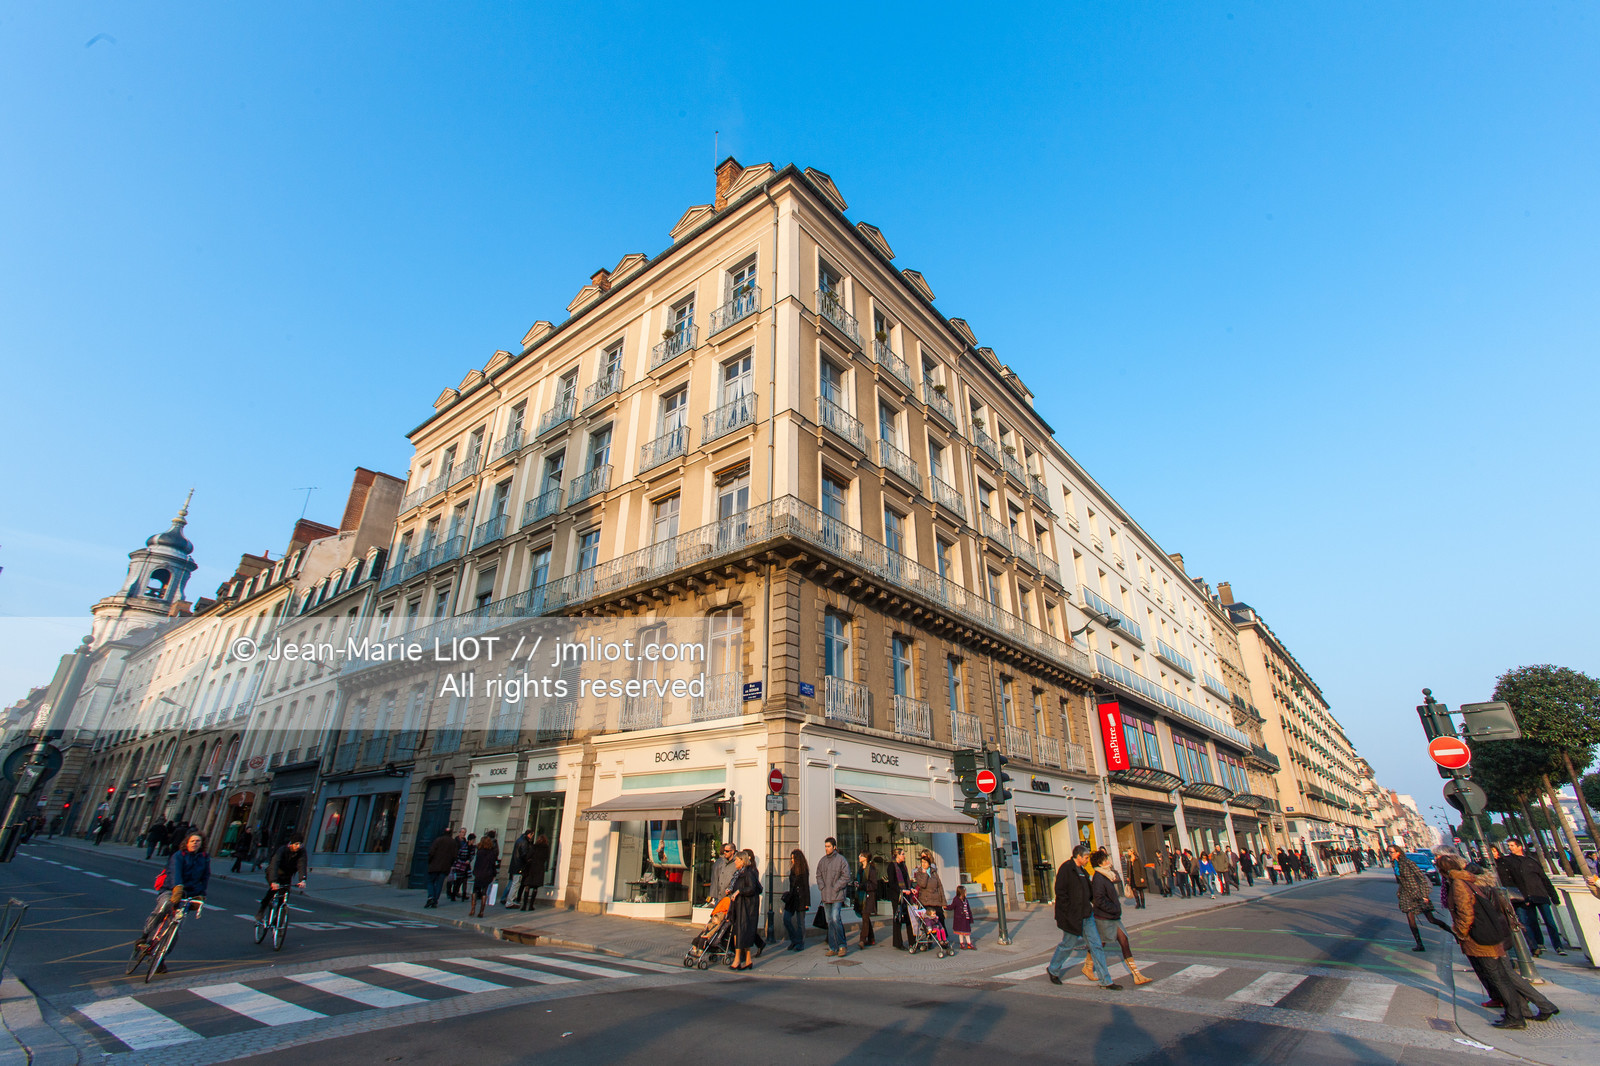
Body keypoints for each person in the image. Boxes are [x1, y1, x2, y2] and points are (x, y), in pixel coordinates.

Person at [1439, 853, 1557, 1029]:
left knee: (1501, 976)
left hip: (1485, 934)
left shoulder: (1461, 884)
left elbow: (1466, 913)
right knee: (1505, 974)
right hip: (1494, 930)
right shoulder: (1474, 880)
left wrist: (1461, 933)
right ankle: (1529, 1009)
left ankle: (1521, 1013)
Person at [1044, 844, 1119, 990]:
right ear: (1078, 856)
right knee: (1067, 945)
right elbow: (1060, 892)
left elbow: (1089, 892)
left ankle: (1106, 980)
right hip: (1073, 916)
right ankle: (1053, 969)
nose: (1087, 860)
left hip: (1087, 915)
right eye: (1085, 857)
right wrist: (1067, 913)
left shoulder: (1083, 871)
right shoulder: (1066, 869)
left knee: (1096, 945)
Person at [138, 832, 209, 974]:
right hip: (171, 889)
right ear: (187, 842)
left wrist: (201, 894)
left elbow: (205, 877)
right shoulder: (178, 856)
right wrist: (177, 888)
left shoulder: (204, 858)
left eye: (198, 841)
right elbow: (175, 872)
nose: (195, 843)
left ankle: (160, 958)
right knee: (163, 907)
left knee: (176, 929)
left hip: (190, 893)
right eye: (193, 840)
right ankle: (145, 936)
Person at [1088, 849, 1152, 985]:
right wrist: (1113, 909)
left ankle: (1137, 974)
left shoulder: (1107, 875)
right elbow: (1098, 899)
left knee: (1123, 941)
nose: (1108, 862)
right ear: (1100, 863)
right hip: (1105, 917)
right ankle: (1088, 967)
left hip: (1113, 917)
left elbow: (1117, 879)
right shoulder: (1098, 878)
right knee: (1101, 943)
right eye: (1105, 860)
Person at [1496, 839, 1569, 957]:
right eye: (1509, 846)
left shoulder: (1531, 861)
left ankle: (1558, 946)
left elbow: (1544, 879)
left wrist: (1554, 896)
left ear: (1520, 847)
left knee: (1549, 921)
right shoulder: (1508, 861)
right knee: (1531, 922)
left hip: (1540, 894)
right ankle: (1538, 944)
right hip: (1525, 897)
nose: (1510, 848)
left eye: (1512, 845)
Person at [1390, 844, 1451, 951]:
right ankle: (1419, 944)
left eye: (1392, 852)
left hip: (1417, 893)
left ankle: (1453, 933)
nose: (1390, 854)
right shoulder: (1395, 864)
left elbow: (1422, 879)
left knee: (1431, 919)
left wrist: (1424, 895)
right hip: (1406, 894)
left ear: (1398, 852)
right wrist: (1399, 891)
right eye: (1389, 852)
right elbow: (1401, 881)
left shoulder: (1408, 863)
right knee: (1410, 919)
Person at [256, 836, 308, 920]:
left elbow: (302, 865)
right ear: (291, 844)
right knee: (273, 890)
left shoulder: (301, 852)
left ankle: (278, 920)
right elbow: (274, 864)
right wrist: (273, 881)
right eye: (296, 844)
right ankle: (261, 910)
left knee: (284, 894)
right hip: (275, 872)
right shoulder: (282, 850)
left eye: (300, 844)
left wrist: (303, 880)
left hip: (287, 874)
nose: (298, 846)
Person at [816, 836, 851, 957]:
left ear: (834, 847)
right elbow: (818, 875)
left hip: (837, 895)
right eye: (825, 846)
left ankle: (842, 945)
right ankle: (832, 946)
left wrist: (836, 887)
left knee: (836, 919)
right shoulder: (822, 861)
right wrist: (822, 887)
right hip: (826, 896)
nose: (826, 849)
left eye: (829, 846)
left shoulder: (841, 860)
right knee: (829, 921)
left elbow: (846, 876)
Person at [727, 848, 761, 970]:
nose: (735, 862)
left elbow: (752, 889)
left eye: (736, 860)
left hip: (746, 909)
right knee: (741, 934)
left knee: (740, 934)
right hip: (739, 907)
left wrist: (739, 891)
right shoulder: (740, 873)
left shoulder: (748, 873)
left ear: (742, 860)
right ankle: (748, 960)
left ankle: (737, 960)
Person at [913, 851, 948, 938]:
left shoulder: (934, 872)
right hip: (926, 901)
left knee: (940, 920)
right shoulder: (919, 873)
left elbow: (940, 887)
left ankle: (943, 939)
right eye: (922, 862)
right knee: (928, 922)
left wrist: (943, 902)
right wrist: (925, 873)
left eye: (925, 862)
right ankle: (928, 940)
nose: (923, 864)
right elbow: (922, 884)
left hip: (936, 901)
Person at [782, 849, 811, 951]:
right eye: (791, 858)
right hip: (792, 898)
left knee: (800, 922)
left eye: (793, 858)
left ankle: (800, 942)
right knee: (786, 919)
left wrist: (807, 902)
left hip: (801, 898)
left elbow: (806, 887)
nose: (792, 860)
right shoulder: (793, 869)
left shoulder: (803, 871)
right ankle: (794, 940)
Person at [887, 847, 914, 949]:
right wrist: (901, 891)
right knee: (898, 918)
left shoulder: (903, 866)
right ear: (897, 855)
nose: (904, 856)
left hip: (906, 895)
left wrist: (911, 888)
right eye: (902, 854)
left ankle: (912, 941)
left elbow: (907, 880)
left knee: (908, 918)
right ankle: (898, 942)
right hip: (897, 896)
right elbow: (892, 883)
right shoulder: (891, 866)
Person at [469, 831, 499, 917]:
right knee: (484, 892)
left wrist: (474, 872)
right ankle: (481, 911)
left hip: (479, 873)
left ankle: (473, 909)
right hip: (487, 874)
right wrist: (494, 874)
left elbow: (476, 863)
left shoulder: (479, 852)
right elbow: (492, 864)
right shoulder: (491, 853)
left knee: (475, 890)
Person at [424, 826, 456, 908]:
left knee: (430, 881)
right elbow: (454, 856)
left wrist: (430, 861)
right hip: (445, 867)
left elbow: (431, 852)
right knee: (439, 884)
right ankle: (435, 900)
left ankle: (430, 896)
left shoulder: (438, 840)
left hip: (434, 865)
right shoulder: (453, 842)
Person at [507, 829, 535, 909]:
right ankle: (510, 902)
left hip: (515, 865)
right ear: (529, 834)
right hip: (519, 866)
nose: (532, 837)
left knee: (514, 883)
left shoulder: (520, 840)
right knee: (516, 884)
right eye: (532, 835)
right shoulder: (524, 842)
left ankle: (510, 900)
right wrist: (528, 860)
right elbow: (524, 854)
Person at [521, 832, 550, 911]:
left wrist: (529, 860)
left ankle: (524, 905)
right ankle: (531, 905)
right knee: (535, 887)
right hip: (539, 868)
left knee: (527, 886)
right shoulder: (546, 848)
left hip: (531, 867)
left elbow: (528, 856)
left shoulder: (534, 847)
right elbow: (546, 858)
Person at [856, 851, 878, 948]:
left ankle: (862, 939)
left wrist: (863, 886)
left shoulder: (871, 869)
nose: (859, 857)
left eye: (861, 855)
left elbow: (874, 884)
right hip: (861, 895)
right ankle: (871, 938)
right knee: (865, 917)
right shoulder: (860, 869)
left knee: (865, 916)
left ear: (866, 858)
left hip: (868, 896)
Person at [449, 831, 474, 902]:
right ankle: (454, 894)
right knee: (458, 881)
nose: (473, 842)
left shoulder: (472, 848)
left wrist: (469, 860)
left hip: (466, 866)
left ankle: (464, 895)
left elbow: (472, 855)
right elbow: (459, 855)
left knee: (465, 880)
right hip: (461, 865)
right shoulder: (464, 846)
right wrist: (462, 861)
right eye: (473, 840)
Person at [951, 884, 975, 949]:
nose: (966, 893)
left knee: (967, 932)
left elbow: (968, 909)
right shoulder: (956, 899)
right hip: (959, 919)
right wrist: (945, 907)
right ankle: (962, 943)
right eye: (965, 892)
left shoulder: (965, 900)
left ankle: (969, 943)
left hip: (966, 918)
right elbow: (952, 906)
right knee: (961, 932)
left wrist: (970, 918)